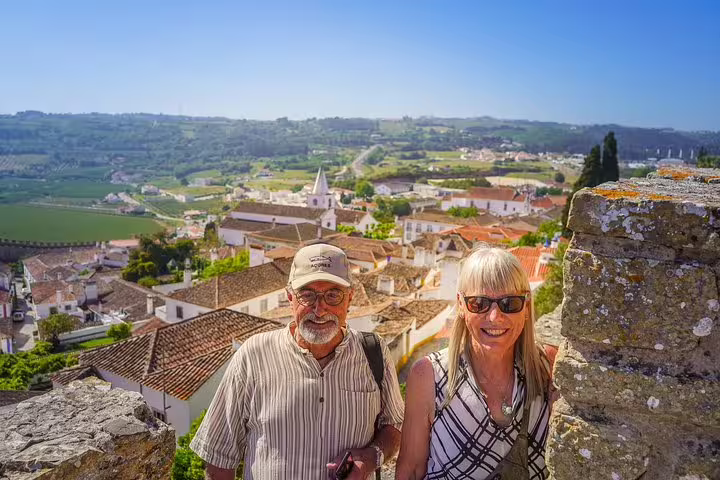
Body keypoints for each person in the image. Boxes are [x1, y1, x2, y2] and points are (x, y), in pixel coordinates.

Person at [190, 243, 404, 480]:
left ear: (350, 298)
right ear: (290, 297)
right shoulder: (253, 355)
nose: (320, 309)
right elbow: (219, 459)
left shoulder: (373, 352)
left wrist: (372, 456)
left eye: (333, 295)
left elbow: (394, 424)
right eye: (307, 295)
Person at [395, 247, 556, 480]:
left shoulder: (548, 367)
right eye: (479, 303)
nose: (494, 317)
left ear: (527, 307)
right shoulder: (429, 376)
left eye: (509, 303)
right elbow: (411, 470)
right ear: (461, 305)